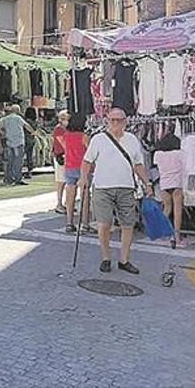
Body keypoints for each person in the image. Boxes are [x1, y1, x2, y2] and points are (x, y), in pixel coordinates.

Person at [78, 108, 153, 275]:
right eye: (112, 120)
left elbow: (138, 164)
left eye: (119, 120)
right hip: (102, 188)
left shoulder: (132, 140)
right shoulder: (98, 139)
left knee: (128, 225)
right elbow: (86, 162)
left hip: (126, 188)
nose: (115, 123)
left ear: (125, 122)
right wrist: (83, 178)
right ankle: (106, 258)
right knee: (104, 224)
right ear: (107, 121)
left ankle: (124, 260)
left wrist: (147, 183)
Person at [153, 133, 185, 247]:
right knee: (177, 211)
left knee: (166, 209)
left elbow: (156, 166)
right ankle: (176, 236)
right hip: (177, 184)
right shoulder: (180, 154)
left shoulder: (158, 154)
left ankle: (161, 231)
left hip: (164, 184)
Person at [62, 114, 91, 234]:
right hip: (82, 167)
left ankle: (69, 223)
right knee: (85, 196)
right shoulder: (84, 136)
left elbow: (65, 149)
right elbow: (90, 152)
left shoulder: (66, 136)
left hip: (69, 166)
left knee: (70, 197)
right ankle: (85, 223)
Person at [0, 105, 35, 186]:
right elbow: (27, 126)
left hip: (9, 142)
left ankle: (9, 179)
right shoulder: (18, 118)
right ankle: (18, 178)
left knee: (10, 161)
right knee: (18, 161)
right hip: (19, 142)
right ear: (17, 110)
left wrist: (4, 134)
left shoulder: (4, 119)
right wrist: (33, 132)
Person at [52, 110, 69, 214]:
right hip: (61, 156)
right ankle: (59, 204)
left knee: (66, 181)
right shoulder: (59, 129)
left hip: (65, 156)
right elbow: (63, 143)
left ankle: (67, 203)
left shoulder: (65, 129)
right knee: (61, 181)